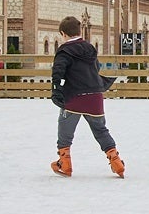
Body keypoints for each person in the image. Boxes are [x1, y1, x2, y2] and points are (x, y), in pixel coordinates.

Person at [50, 16, 124, 178]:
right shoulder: (89, 48)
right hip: (95, 95)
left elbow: (58, 71)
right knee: (101, 130)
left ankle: (65, 163)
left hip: (74, 96)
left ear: (63, 33)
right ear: (79, 31)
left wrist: (56, 89)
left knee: (65, 128)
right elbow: (96, 67)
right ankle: (116, 161)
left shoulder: (64, 50)